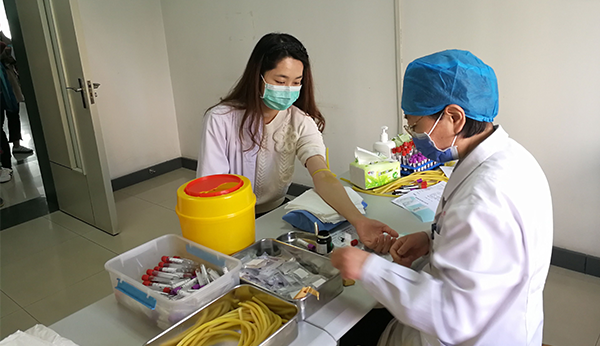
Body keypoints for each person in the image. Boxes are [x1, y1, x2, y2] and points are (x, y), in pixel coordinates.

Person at [331, 49, 553, 346]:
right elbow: (486, 253)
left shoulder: (482, 199)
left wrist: (368, 268)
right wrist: (432, 238)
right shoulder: (512, 157)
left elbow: (454, 316)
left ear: (454, 117)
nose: (412, 137)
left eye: (414, 125)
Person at [197, 32, 397, 251]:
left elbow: (322, 175)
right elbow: (210, 191)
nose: (288, 89)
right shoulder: (221, 119)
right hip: (229, 217)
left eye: (296, 82)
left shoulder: (300, 121)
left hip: (275, 211)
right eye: (280, 81)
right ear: (258, 76)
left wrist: (360, 221)